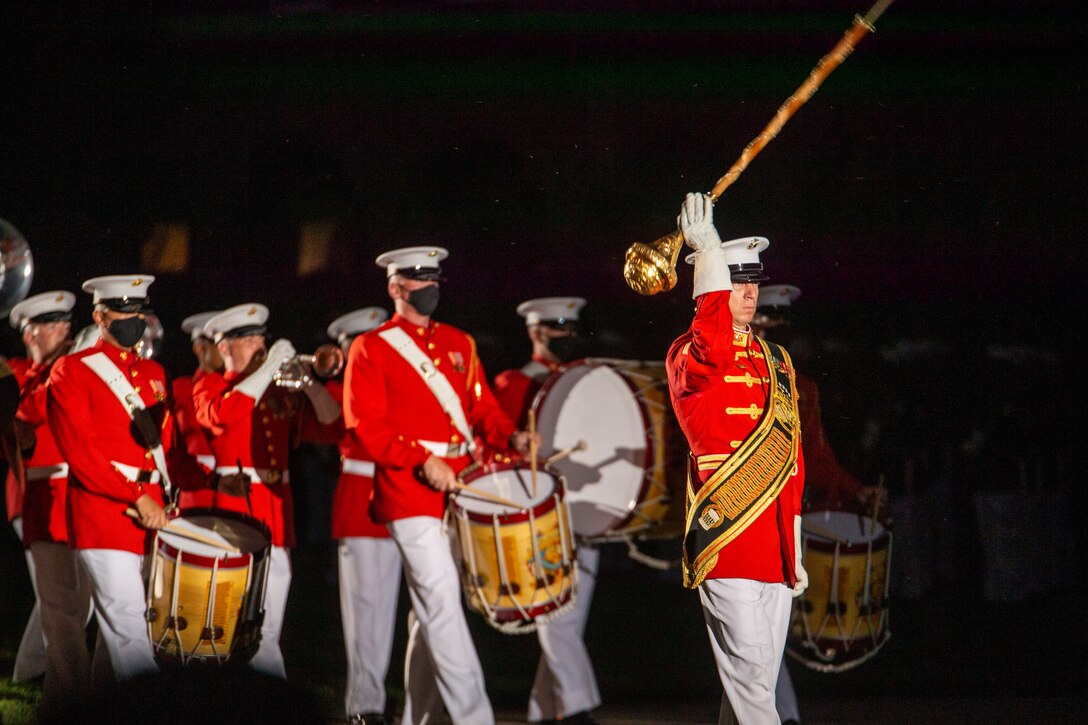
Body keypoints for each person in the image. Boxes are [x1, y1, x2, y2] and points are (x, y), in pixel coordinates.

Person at [342, 246, 537, 725]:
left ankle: (420, 718)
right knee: (442, 599)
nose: (429, 289)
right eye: (418, 282)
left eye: (434, 281)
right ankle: (475, 717)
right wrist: (421, 459)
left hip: (461, 486)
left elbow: (481, 408)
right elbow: (365, 425)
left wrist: (509, 433)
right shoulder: (371, 347)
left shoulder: (459, 342)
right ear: (395, 288)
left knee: (433, 613)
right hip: (408, 490)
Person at [664, 194, 807, 724]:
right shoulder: (689, 355)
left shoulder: (778, 360)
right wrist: (706, 261)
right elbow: (713, 349)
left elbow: (793, 458)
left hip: (773, 542)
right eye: (734, 280)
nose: (747, 292)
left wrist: (792, 540)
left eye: (751, 281)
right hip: (725, 536)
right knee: (751, 677)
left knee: (754, 684)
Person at [752, 283, 884, 725]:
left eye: (777, 324)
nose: (768, 330)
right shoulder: (729, 378)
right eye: (761, 322)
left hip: (783, 520)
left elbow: (818, 460)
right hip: (738, 521)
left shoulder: (801, 388)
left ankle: (779, 717)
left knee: (764, 635)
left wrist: (854, 490)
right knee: (751, 637)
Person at [193, 302, 343, 679]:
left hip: (276, 509)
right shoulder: (210, 384)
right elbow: (222, 416)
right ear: (224, 348)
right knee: (227, 614)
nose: (259, 344)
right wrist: (268, 371)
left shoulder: (280, 392)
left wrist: (308, 382)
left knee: (271, 615)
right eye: (248, 339)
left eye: (262, 337)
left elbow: (332, 425)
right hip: (232, 509)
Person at [45, 274, 175, 684]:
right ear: (100, 317)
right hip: (105, 512)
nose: (134, 319)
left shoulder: (154, 371)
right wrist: (137, 496)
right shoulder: (73, 370)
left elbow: (162, 445)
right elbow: (81, 452)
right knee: (129, 626)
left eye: (139, 311)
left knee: (123, 634)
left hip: (152, 509)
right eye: (125, 311)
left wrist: (160, 496)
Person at [492, 296, 602, 725]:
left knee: (565, 625)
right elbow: (498, 453)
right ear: (536, 332)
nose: (569, 336)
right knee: (555, 618)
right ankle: (577, 711)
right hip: (540, 519)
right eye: (559, 328)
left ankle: (543, 713)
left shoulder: (585, 383)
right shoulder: (512, 384)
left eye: (572, 328)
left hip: (586, 515)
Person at [5, 290, 94, 721]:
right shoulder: (19, 372)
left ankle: (53, 682)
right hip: (40, 493)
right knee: (58, 602)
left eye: (63, 325)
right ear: (29, 334)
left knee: (88, 600)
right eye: (51, 326)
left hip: (86, 491)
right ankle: (59, 692)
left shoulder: (74, 368)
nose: (63, 332)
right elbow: (32, 411)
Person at [324, 306, 401, 725]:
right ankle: (364, 704)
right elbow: (330, 420)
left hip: (401, 493)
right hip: (361, 499)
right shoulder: (340, 389)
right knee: (365, 608)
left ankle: (378, 698)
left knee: (389, 609)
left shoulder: (391, 383)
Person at [172, 310, 222, 510]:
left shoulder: (243, 389)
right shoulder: (182, 389)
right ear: (200, 348)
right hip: (197, 494)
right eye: (220, 343)